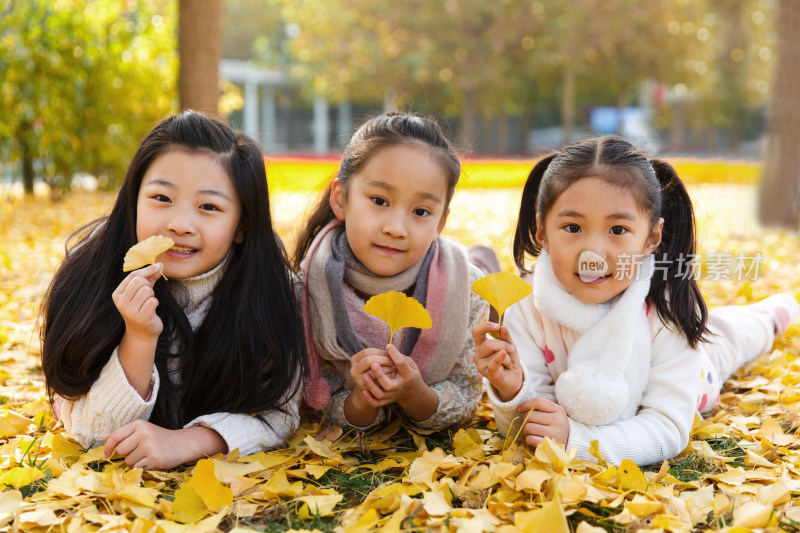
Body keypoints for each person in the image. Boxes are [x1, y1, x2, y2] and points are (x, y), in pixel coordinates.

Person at [473, 135, 800, 466]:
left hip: (696, 374)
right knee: (719, 330)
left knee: (729, 339)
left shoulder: (666, 312)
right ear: (542, 231)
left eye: (617, 230)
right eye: (573, 227)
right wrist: (512, 391)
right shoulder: (526, 304)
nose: (593, 252)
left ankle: (771, 315)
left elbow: (667, 429)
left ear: (651, 238)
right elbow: (537, 425)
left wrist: (578, 441)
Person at [40, 110, 303, 469]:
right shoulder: (91, 275)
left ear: (241, 225)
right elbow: (90, 434)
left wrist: (187, 442)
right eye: (162, 198)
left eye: (209, 207)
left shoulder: (271, 290)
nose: (180, 224)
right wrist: (139, 337)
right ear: (133, 199)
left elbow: (279, 414)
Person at [294, 112, 488, 431]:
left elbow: (466, 394)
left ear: (440, 223)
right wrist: (360, 399)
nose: (396, 229)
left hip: (455, 271)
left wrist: (416, 395)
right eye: (380, 200)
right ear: (341, 199)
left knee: (482, 266)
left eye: (421, 211)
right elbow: (318, 401)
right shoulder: (307, 292)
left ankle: (484, 254)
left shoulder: (468, 290)